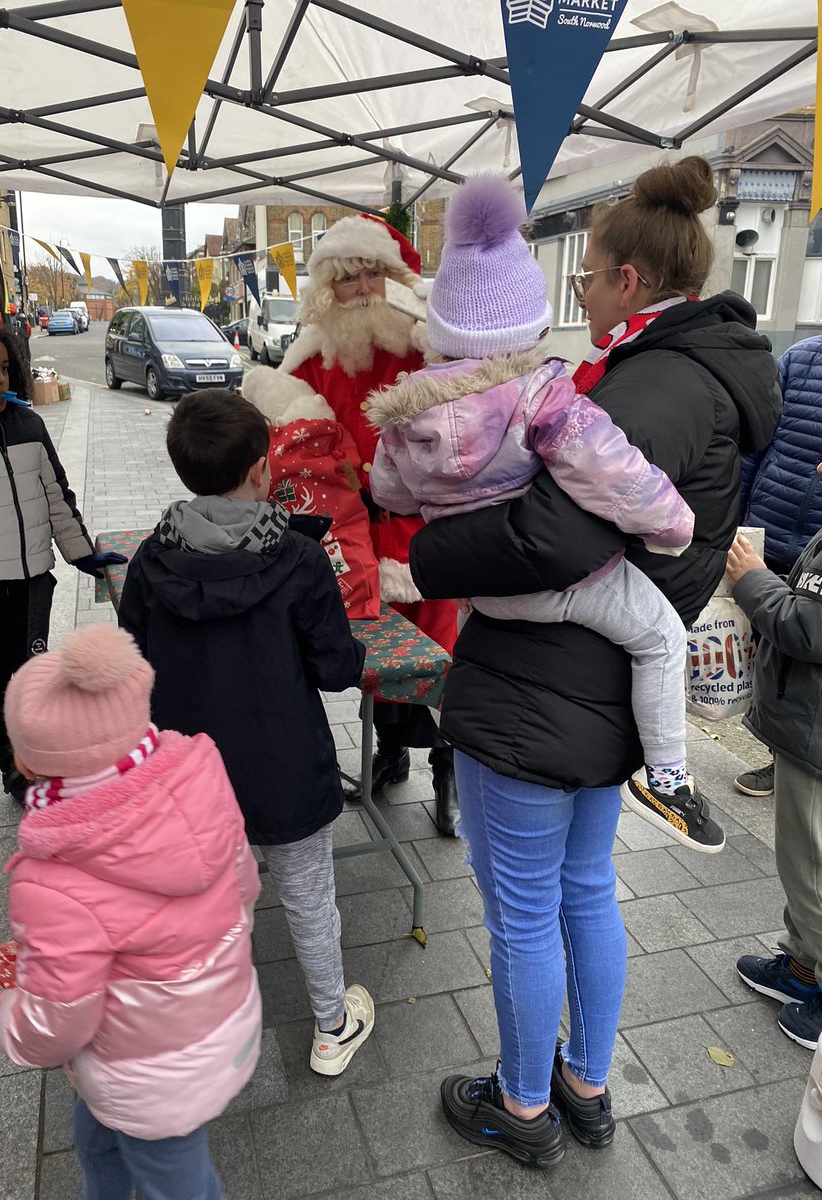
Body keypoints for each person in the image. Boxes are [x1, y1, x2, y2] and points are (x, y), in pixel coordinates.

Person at [407, 157, 779, 1166]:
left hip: (541, 687)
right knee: (579, 894)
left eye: (583, 277)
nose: (574, 293)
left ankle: (525, 1107)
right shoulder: (702, 371)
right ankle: (585, 1082)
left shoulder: (656, 384)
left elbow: (555, 538)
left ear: (624, 280)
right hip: (595, 687)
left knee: (528, 911)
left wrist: (423, 557)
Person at [370, 175, 722, 853]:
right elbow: (613, 477)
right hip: (560, 591)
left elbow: (390, 493)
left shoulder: (403, 415)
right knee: (659, 638)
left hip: (484, 599)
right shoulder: (544, 398)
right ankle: (668, 776)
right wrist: (675, 525)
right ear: (527, 323)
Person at [118, 389, 375, 1076]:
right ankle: (331, 1025)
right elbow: (335, 668)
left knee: (204, 903)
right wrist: (350, 654)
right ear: (265, 470)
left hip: (187, 777)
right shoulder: (297, 558)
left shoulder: (149, 560)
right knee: (309, 896)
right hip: (283, 768)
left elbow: (131, 665)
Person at [0, 622, 260, 1199]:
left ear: (31, 763)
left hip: (150, 1070)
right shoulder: (199, 784)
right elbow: (244, 887)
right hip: (218, 1016)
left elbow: (59, 1015)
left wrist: (11, 1018)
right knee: (97, 1142)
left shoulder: (53, 877)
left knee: (180, 1183)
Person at [242, 215, 461, 836]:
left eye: (374, 273)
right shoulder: (313, 357)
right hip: (352, 538)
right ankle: (390, 749)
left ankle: (448, 773)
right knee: (372, 654)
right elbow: (282, 436)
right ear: (326, 291)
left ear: (397, 278)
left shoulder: (431, 346)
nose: (363, 288)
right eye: (348, 278)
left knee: (441, 656)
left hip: (426, 533)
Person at [0, 318, 121, 803]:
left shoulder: (28, 424)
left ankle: (43, 754)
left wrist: (83, 555)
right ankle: (12, 764)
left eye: (5, 367)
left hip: (33, 580)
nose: (0, 379)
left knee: (33, 672)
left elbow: (56, 495)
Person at [726, 530, 822, 1049]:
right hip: (807, 728)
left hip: (817, 737)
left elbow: (811, 627)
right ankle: (802, 969)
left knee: (810, 870)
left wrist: (753, 584)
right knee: (804, 863)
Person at [735, 333, 822, 799]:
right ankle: (777, 751)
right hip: (770, 528)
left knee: (809, 650)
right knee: (769, 644)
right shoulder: (801, 359)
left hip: (819, 547)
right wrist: (739, 515)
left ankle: (795, 761)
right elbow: (755, 447)